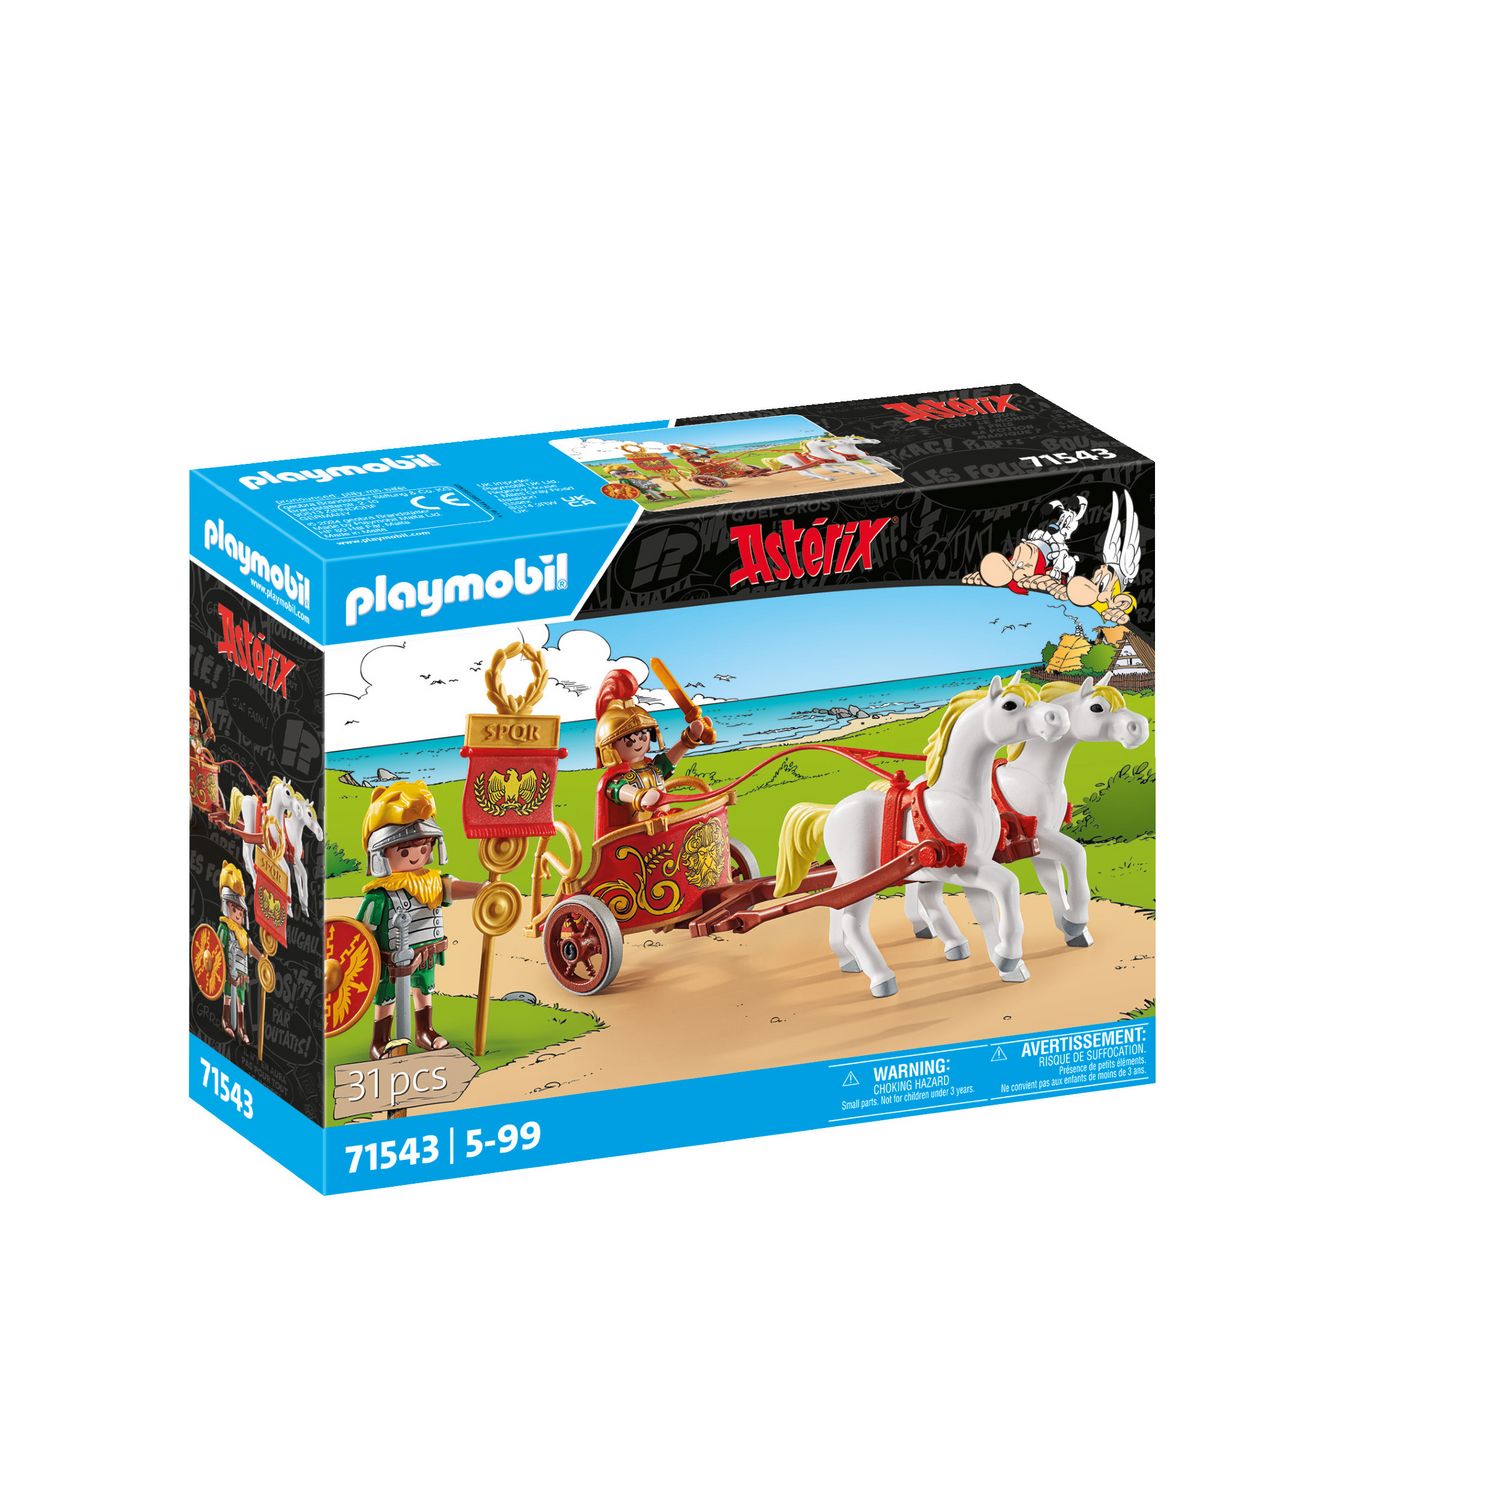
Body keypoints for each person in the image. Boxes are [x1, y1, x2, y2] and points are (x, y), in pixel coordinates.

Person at [357, 782, 483, 1059]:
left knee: (424, 990)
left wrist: (482, 889)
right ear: (381, 854)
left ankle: (424, 1032)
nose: (416, 855)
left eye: (423, 847)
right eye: (405, 851)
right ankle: (380, 1041)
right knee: (386, 997)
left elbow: (452, 887)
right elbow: (359, 935)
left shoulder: (432, 884)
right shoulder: (380, 897)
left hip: (425, 954)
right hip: (390, 962)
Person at [593, 669, 706, 837]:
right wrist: (639, 796)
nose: (639, 742)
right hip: (636, 837)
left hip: (665, 826)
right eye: (629, 740)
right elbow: (618, 789)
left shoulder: (652, 768)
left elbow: (668, 761)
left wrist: (688, 740)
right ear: (610, 748)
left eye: (642, 735)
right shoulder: (616, 780)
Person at [215, 862, 264, 1045]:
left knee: (241, 1001)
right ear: (227, 906)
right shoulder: (224, 928)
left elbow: (250, 948)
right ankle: (225, 1020)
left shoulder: (243, 934)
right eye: (235, 909)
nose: (238, 914)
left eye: (241, 911)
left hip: (242, 972)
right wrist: (225, 972)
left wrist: (262, 958)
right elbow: (218, 950)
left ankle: (241, 1029)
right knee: (228, 996)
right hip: (228, 971)